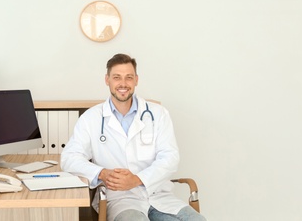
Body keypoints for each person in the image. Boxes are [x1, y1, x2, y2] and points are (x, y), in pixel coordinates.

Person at [61, 53, 206, 221]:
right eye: (117, 77)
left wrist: (137, 179)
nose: (123, 83)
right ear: (107, 80)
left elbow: (170, 157)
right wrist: (101, 173)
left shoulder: (158, 114)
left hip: (158, 194)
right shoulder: (91, 118)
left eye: (128, 77)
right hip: (120, 199)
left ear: (136, 80)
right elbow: (69, 158)